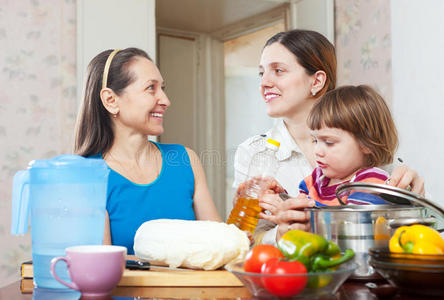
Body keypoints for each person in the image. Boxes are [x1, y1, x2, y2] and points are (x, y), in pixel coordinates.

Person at [233, 29, 425, 245]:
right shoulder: (253, 152)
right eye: (262, 73)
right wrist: (279, 234)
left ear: (317, 81)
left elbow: (406, 234)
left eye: (278, 70)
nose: (264, 83)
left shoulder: (373, 149)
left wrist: (413, 200)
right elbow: (243, 240)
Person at [74, 48, 221, 254]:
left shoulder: (186, 160)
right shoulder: (88, 176)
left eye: (162, 88)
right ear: (111, 100)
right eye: (151, 88)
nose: (165, 100)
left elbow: (220, 249)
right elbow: (100, 271)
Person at [296, 85, 397, 206]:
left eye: (329, 142)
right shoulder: (317, 178)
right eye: (315, 141)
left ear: (367, 144)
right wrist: (281, 198)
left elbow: (353, 220)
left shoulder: (371, 180)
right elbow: (299, 205)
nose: (317, 151)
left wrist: (307, 211)